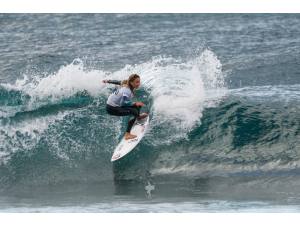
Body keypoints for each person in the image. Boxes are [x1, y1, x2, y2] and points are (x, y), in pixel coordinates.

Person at [103, 74, 148, 140]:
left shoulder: (125, 83)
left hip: (115, 106)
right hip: (111, 108)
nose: (138, 84)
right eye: (136, 82)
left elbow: (118, 82)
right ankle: (127, 134)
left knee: (137, 107)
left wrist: (108, 81)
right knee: (134, 110)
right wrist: (135, 103)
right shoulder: (127, 91)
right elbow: (123, 103)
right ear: (131, 82)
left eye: (139, 81)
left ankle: (138, 117)